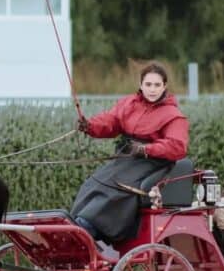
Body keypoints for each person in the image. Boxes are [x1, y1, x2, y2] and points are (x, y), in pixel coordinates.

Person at [71, 62, 189, 248]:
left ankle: (92, 226)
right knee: (94, 181)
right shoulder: (128, 104)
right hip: (127, 158)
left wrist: (147, 149)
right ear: (141, 85)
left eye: (157, 85)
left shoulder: (173, 115)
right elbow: (111, 122)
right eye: (148, 84)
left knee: (117, 187)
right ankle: (78, 222)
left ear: (164, 86)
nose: (152, 89)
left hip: (153, 163)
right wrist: (90, 126)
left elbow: (177, 146)